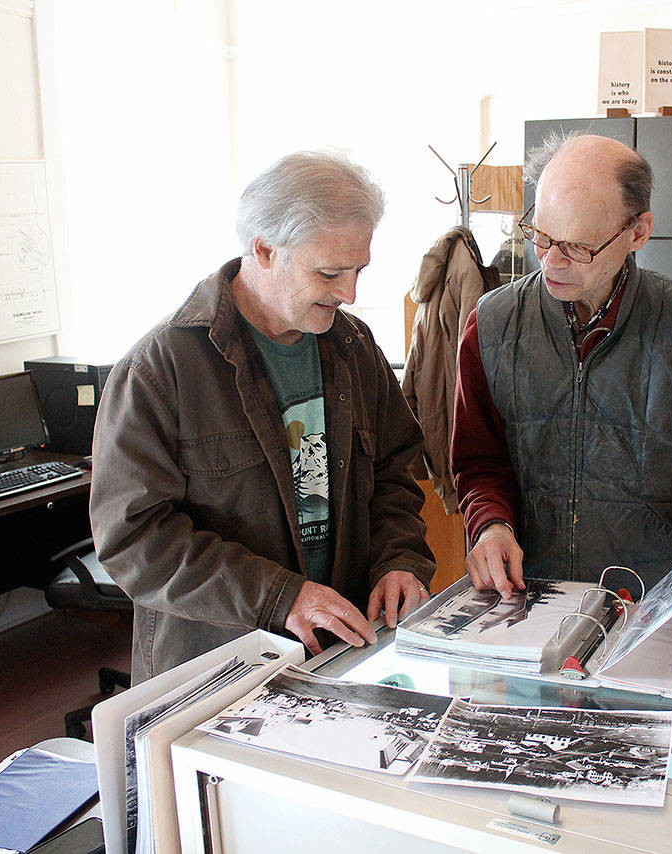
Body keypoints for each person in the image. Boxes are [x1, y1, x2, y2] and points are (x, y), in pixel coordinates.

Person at [90, 152, 434, 680]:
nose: (350, 294)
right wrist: (281, 597)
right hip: (217, 666)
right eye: (330, 272)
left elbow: (393, 473)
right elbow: (135, 540)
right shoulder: (160, 369)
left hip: (341, 650)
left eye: (358, 270)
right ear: (266, 250)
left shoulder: (352, 346)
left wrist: (399, 560)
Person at [452, 133, 672, 602]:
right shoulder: (492, 325)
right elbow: (479, 463)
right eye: (541, 236)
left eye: (578, 246)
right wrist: (490, 525)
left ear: (638, 232)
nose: (551, 261)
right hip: (531, 603)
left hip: (655, 605)